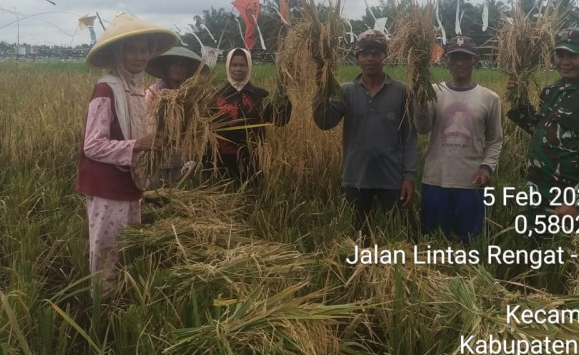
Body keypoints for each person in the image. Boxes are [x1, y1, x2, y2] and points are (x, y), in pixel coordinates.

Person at [75, 13, 177, 298]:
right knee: (106, 250)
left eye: (144, 49)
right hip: (106, 185)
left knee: (128, 246)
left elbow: (144, 134)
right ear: (118, 53)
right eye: (131, 49)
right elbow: (92, 145)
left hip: (133, 183)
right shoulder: (106, 88)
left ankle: (122, 302)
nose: (139, 56)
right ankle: (101, 308)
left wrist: (157, 142)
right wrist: (137, 146)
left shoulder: (140, 90)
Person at [507, 28, 579, 219]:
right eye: (559, 54)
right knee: (534, 244)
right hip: (537, 189)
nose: (564, 62)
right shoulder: (552, 91)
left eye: (573, 55)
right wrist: (519, 100)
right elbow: (542, 130)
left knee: (565, 247)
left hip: (570, 199)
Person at [312, 29, 418, 244]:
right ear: (357, 58)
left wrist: (409, 176)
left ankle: (406, 269)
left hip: (392, 179)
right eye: (364, 53)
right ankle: (363, 273)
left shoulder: (401, 92)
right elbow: (325, 122)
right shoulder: (345, 91)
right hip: (356, 177)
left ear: (384, 56)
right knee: (359, 237)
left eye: (376, 52)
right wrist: (321, 89)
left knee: (402, 234)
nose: (370, 58)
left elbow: (409, 136)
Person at [414, 36, 503, 241]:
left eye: (466, 57)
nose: (460, 63)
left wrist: (487, 167)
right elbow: (422, 128)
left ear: (475, 60)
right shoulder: (434, 92)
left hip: (470, 183)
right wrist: (419, 101)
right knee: (434, 241)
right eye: (454, 57)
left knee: (470, 241)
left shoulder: (489, 98)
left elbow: (495, 140)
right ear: (446, 61)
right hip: (436, 180)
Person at [212, 47, 292, 184]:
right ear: (228, 66)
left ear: (249, 67)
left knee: (251, 197)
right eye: (234, 65)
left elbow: (279, 120)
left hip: (253, 160)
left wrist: (283, 99)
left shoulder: (260, 95)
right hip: (221, 160)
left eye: (242, 65)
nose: (238, 69)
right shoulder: (216, 96)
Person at [144, 45, 209, 185]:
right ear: (167, 67)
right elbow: (146, 120)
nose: (179, 68)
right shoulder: (154, 92)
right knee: (159, 191)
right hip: (159, 150)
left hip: (185, 151)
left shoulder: (193, 94)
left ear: (188, 69)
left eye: (183, 65)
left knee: (183, 189)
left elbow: (200, 121)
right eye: (175, 64)